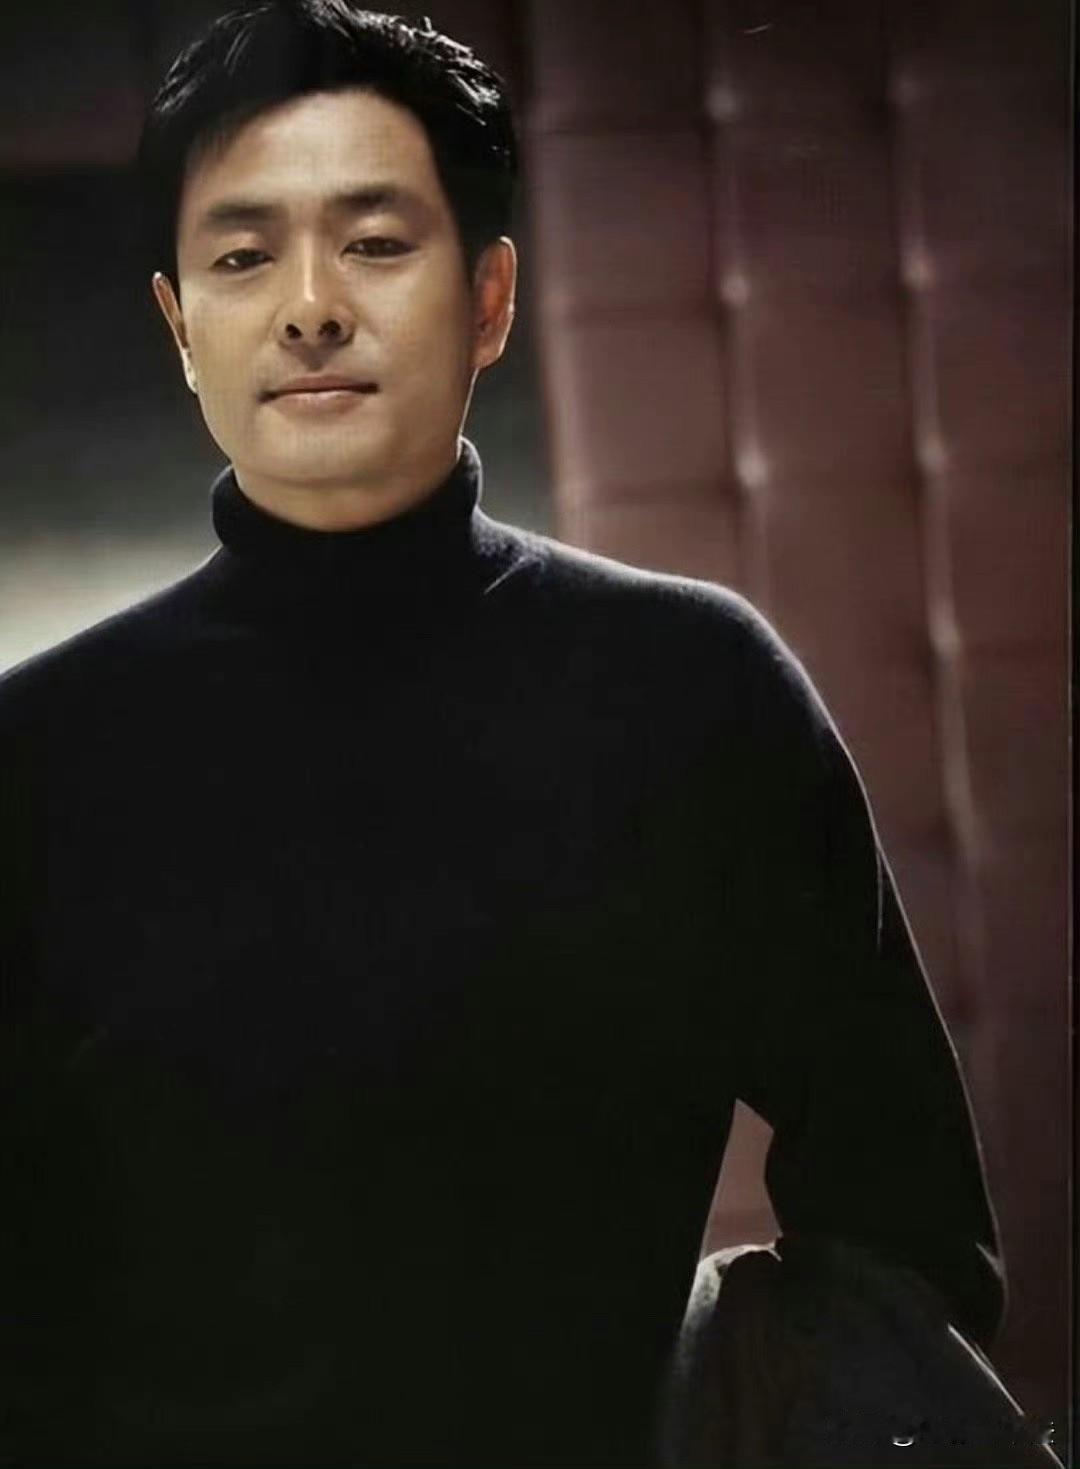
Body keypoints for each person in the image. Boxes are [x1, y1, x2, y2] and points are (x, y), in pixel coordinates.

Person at [0, 3, 1053, 1465]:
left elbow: (909, 1243)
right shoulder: (41, 755)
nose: (309, 307)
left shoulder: (695, 690)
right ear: (183, 328)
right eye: (243, 258)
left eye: (376, 242)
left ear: (489, 298)